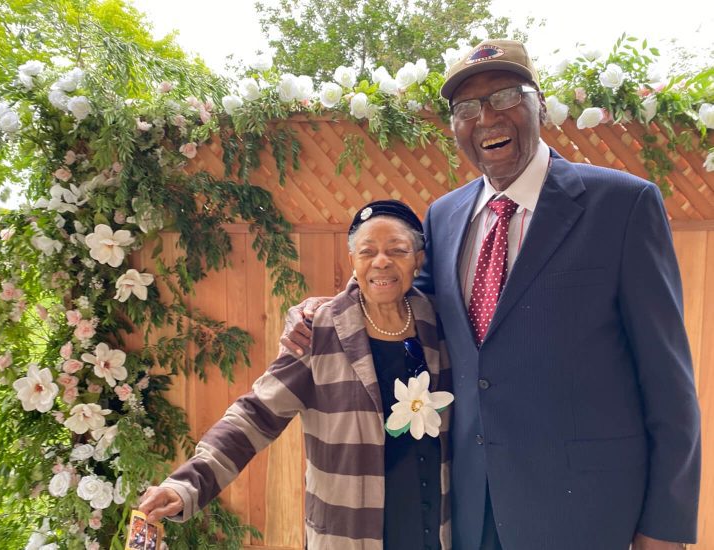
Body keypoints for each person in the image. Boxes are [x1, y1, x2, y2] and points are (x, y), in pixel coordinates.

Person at [282, 39, 701, 550]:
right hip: (470, 506)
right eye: (466, 109)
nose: (485, 118)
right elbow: (412, 299)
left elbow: (668, 380)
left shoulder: (623, 204)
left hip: (586, 511)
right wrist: (329, 307)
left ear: (539, 105)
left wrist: (665, 526)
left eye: (503, 97)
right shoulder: (445, 215)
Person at [139, 200, 455, 550]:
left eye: (397, 250)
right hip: (350, 533)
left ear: (419, 260)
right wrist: (187, 484)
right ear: (352, 262)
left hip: (431, 532)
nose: (381, 261)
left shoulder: (438, 324)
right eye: (368, 252)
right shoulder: (318, 331)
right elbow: (254, 414)